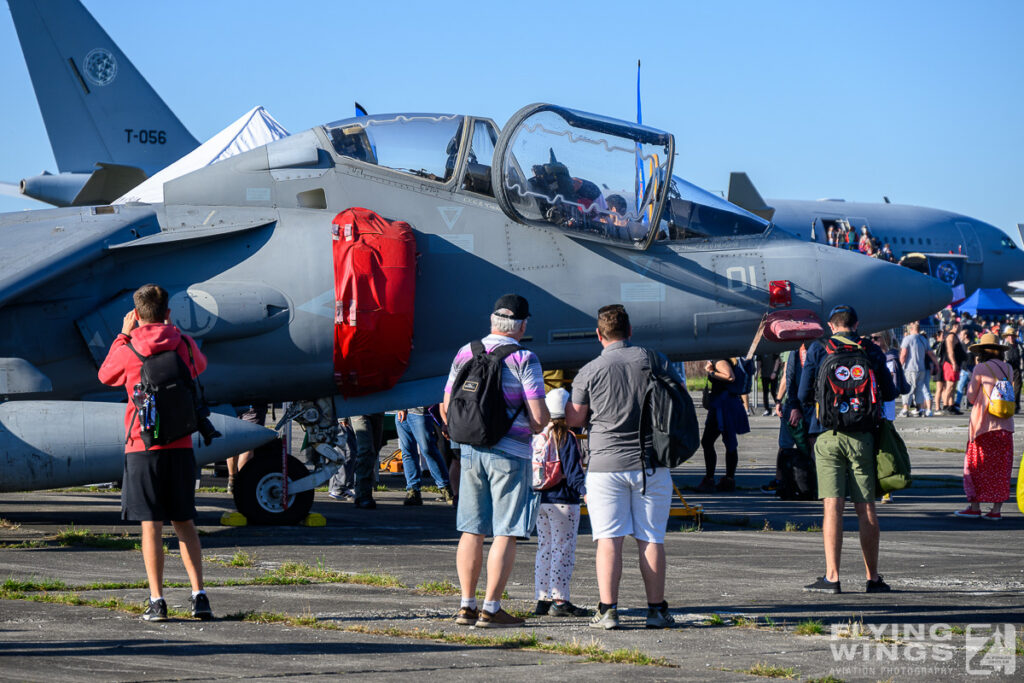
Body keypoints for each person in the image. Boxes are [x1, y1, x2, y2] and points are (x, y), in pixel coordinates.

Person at [97, 284, 213, 621]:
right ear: (168, 313)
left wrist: (122, 335)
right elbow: (200, 367)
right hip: (181, 444)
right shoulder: (184, 344)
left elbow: (106, 376)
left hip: (141, 446)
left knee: (151, 525)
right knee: (184, 523)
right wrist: (173, 333)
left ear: (135, 315)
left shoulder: (129, 346)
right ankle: (199, 596)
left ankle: (157, 601)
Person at [566, 304, 684, 630]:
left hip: (605, 465)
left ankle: (608, 611)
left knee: (608, 539)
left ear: (599, 335)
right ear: (630, 331)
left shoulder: (589, 370)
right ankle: (657, 610)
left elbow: (575, 418)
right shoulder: (653, 359)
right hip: (650, 463)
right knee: (651, 539)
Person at [444, 294, 548, 629]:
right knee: (506, 530)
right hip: (511, 453)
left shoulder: (466, 352)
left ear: (492, 321)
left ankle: (466, 606)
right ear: (522, 325)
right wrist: (537, 424)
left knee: (471, 529)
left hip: (471, 452)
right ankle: (491, 609)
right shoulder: (524, 358)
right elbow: (538, 416)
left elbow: (446, 407)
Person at [798, 304, 897, 594]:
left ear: (831, 325)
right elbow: (890, 392)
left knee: (833, 506)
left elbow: (803, 393)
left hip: (827, 434)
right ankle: (873, 577)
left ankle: (832, 577)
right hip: (863, 436)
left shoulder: (820, 348)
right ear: (857, 324)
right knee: (866, 507)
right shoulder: (869, 348)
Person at [532, 388, 589, 618]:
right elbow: (574, 475)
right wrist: (586, 492)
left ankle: (542, 599)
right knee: (563, 551)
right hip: (564, 501)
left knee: (544, 549)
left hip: (541, 500)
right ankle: (560, 600)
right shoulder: (566, 437)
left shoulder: (541, 435)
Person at [955, 333, 1016, 520]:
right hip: (1005, 425)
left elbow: (972, 397)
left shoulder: (981, 368)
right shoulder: (1008, 368)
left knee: (976, 467)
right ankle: (996, 511)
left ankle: (975, 506)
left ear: (981, 351)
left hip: (983, 426)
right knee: (1000, 469)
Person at [696, 358, 751, 493]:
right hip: (727, 403)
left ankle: (710, 480)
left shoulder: (720, 360)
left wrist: (711, 372)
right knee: (729, 442)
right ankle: (728, 480)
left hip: (723, 405)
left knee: (708, 441)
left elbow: (729, 377)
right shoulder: (724, 358)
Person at [395, 407, 454, 506]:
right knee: (407, 452)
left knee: (428, 450)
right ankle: (413, 490)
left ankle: (445, 487)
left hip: (420, 411)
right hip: (401, 411)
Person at [226, 404, 267, 494]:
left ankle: (232, 481)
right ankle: (243, 482)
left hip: (231, 402)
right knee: (248, 445)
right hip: (253, 401)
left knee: (232, 442)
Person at [899, 322, 938, 417]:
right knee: (919, 389)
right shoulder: (923, 339)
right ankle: (919, 409)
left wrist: (900, 366)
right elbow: (930, 353)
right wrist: (937, 364)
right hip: (921, 368)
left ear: (911, 329)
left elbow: (904, 354)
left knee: (908, 389)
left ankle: (905, 409)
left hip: (910, 368)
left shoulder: (907, 339)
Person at [351, 413, 385, 509]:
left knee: (373, 451)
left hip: (377, 410)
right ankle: (363, 495)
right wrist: (342, 418)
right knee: (366, 450)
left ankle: (361, 493)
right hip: (359, 410)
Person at [941, 321, 963, 414]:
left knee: (953, 386)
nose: (960, 328)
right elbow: (950, 351)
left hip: (955, 363)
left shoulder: (955, 336)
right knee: (949, 386)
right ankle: (945, 406)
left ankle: (951, 405)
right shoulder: (951, 336)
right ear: (955, 326)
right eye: (959, 326)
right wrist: (953, 363)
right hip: (950, 364)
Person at [1002, 326, 1022, 413]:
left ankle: (1016, 406)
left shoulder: (1019, 346)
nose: (1011, 337)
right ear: (1007, 336)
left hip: (1016, 368)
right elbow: (1000, 357)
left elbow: (1022, 356)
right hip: (1006, 368)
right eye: (1009, 336)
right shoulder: (1004, 346)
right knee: (1005, 387)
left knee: (1018, 387)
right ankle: (1004, 405)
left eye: (1013, 336)